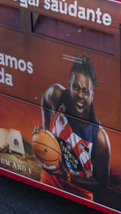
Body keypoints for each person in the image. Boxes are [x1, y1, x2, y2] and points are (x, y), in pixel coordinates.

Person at [35, 53, 111, 202]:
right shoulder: (56, 95)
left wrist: (67, 175)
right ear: (69, 85)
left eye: (85, 91)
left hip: (80, 200)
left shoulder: (99, 138)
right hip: (47, 183)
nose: (80, 95)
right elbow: (45, 99)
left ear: (92, 94)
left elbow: (101, 185)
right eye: (76, 87)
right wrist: (45, 133)